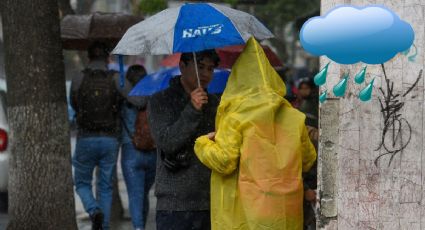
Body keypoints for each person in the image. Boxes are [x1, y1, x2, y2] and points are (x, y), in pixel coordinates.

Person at [194, 38, 317, 230]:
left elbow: (224, 161)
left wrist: (202, 143)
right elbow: (308, 159)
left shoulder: (235, 117)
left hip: (245, 214)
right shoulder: (294, 117)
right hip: (284, 213)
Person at [147, 50, 220, 230]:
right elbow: (167, 142)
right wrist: (192, 109)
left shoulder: (215, 103)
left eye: (210, 69)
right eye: (200, 67)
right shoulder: (160, 100)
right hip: (175, 205)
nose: (205, 74)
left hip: (211, 201)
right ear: (182, 66)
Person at [71, 42, 140, 230]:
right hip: (110, 139)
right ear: (108, 58)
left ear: (89, 57)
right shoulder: (116, 78)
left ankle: (94, 211)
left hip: (85, 137)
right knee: (105, 186)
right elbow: (136, 99)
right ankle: (104, 226)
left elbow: (74, 103)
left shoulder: (79, 78)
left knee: (82, 183)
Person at [120, 65, 156, 230]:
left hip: (131, 152)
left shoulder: (124, 99)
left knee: (135, 195)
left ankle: (138, 228)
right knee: (143, 194)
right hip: (152, 152)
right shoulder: (154, 97)